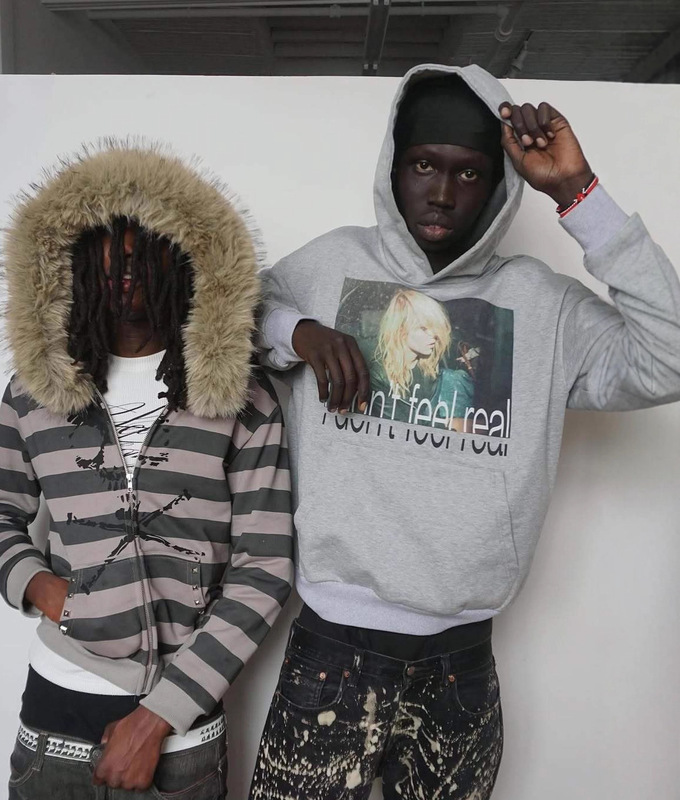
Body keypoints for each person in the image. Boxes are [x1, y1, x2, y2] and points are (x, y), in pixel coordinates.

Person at [249, 65, 680, 799]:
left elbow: (667, 355)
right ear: (394, 165)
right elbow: (225, 313)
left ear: (499, 183)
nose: (443, 193)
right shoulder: (329, 265)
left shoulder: (542, 305)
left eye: (470, 172)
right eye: (423, 165)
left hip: (462, 664)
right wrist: (298, 332)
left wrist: (579, 193)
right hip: (332, 649)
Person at [0, 143, 294, 799]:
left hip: (182, 737)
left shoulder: (242, 398)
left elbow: (265, 567)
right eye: (104, 243)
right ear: (74, 257)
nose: (123, 262)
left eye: (144, 242)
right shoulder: (35, 392)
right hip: (53, 721)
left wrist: (159, 716)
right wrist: (46, 590)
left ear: (185, 252)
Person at [371, 288, 474, 430]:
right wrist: (451, 424)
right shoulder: (379, 375)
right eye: (424, 328)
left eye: (435, 328)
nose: (434, 335)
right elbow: (395, 430)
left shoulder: (431, 371)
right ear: (401, 329)